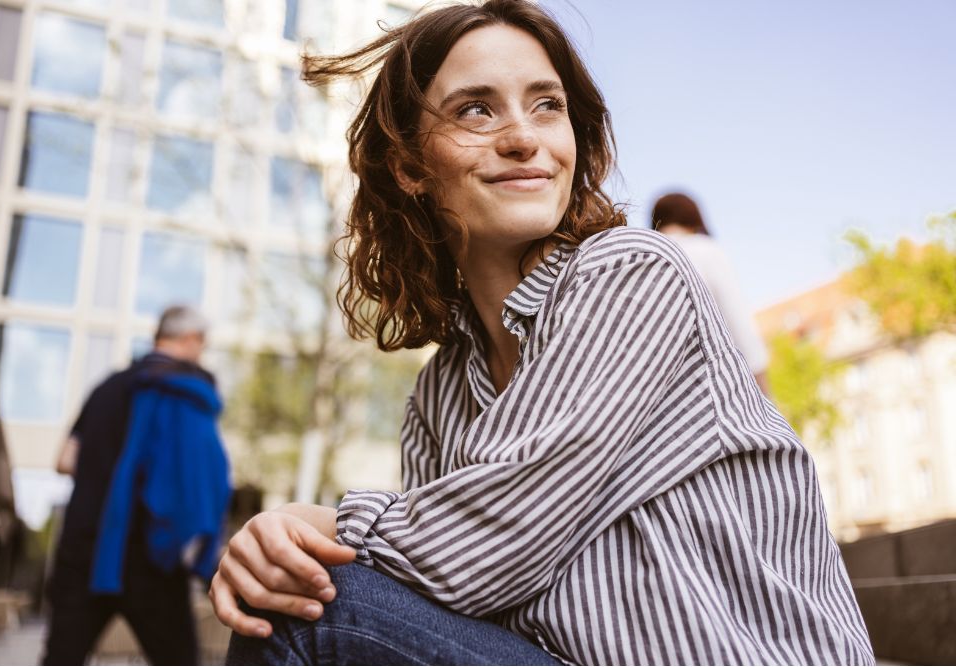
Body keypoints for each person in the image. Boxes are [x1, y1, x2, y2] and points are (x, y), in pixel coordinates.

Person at [211, 1, 874, 664]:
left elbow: (492, 538)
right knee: (300, 593)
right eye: (476, 109)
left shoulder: (632, 273)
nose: (524, 137)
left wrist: (317, 523)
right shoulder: (438, 397)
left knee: (314, 606)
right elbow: (442, 592)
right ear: (411, 164)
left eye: (546, 105)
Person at [43, 305, 230, 665]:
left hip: (84, 550)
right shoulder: (188, 392)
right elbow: (193, 487)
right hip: (151, 559)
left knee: (60, 659)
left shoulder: (107, 387)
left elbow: (64, 460)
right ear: (191, 340)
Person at [652, 192, 771, 393]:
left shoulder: (648, 258)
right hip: (719, 389)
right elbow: (737, 320)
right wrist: (764, 390)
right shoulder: (705, 250)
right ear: (693, 217)